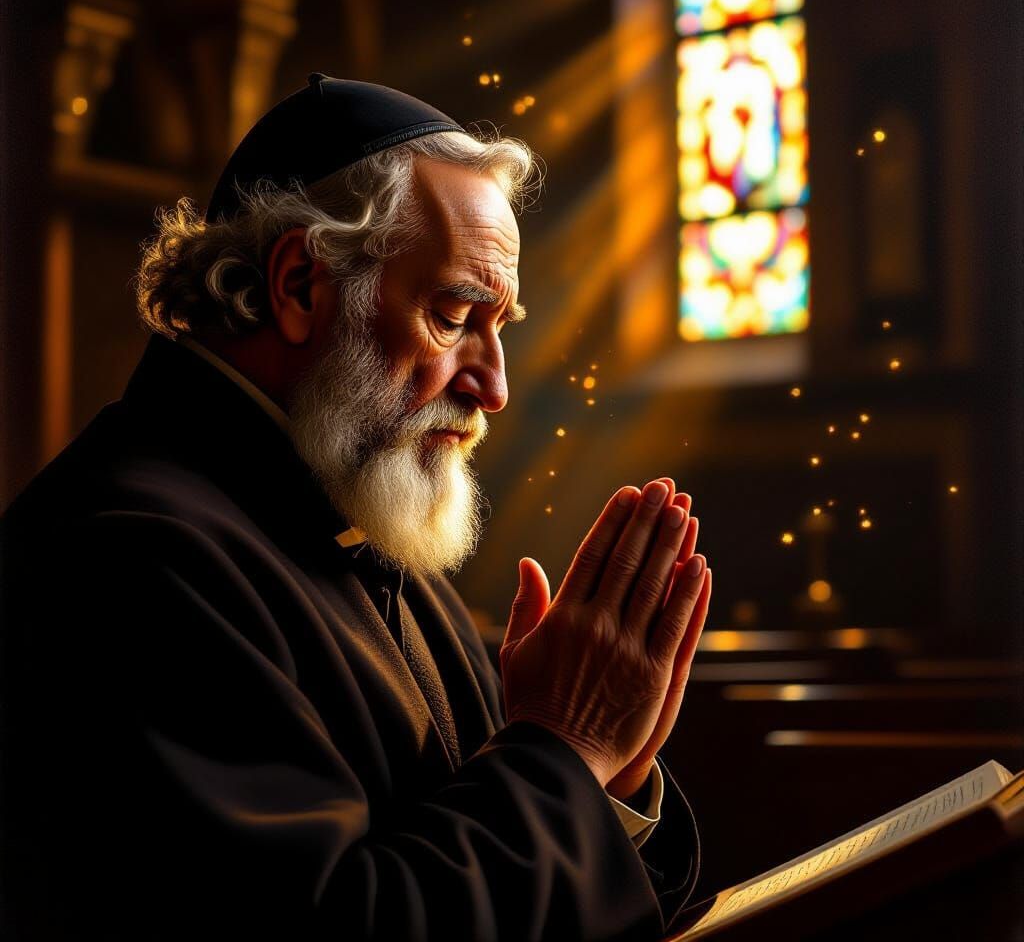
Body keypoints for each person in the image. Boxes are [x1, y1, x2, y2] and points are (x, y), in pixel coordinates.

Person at [0, 75, 712, 941]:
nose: (494, 386)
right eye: (455, 316)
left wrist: (611, 775)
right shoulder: (128, 558)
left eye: (501, 325)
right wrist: (564, 747)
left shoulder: (344, 513)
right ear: (301, 284)